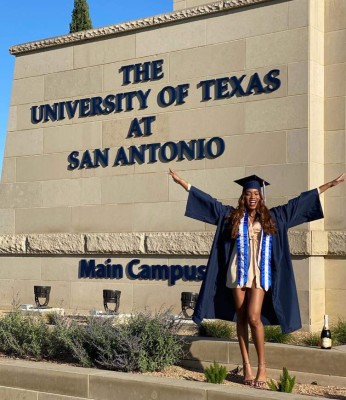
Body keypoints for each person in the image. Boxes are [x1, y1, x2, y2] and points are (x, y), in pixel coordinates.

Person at [169, 169, 345, 388]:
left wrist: (329, 185)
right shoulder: (231, 216)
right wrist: (183, 183)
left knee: (254, 317)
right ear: (244, 197)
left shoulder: (274, 217)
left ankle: (262, 366)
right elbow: (209, 203)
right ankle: (247, 366)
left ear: (261, 197)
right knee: (241, 318)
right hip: (237, 272)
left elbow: (299, 203)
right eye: (249, 194)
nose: (252, 197)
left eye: (256, 194)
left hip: (259, 274)